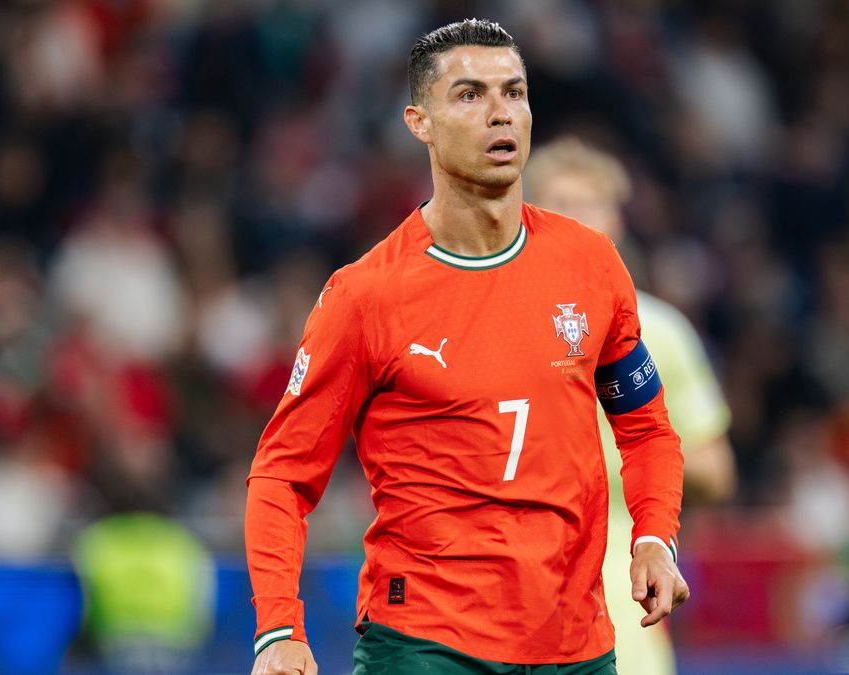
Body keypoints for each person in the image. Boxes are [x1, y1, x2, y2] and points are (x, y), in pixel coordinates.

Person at [246, 19, 690, 675]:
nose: (500, 113)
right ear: (418, 121)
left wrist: (654, 536)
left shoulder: (592, 265)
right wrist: (278, 626)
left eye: (514, 92)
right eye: (470, 95)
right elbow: (283, 474)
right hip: (428, 644)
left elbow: (646, 426)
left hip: (578, 646)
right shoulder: (365, 296)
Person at [526, 137, 736, 675]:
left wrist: (640, 468)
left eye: (591, 204)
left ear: (617, 220)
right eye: (561, 203)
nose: (579, 219)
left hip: (619, 580)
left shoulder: (656, 332)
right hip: (509, 583)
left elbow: (715, 468)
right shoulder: (499, 321)